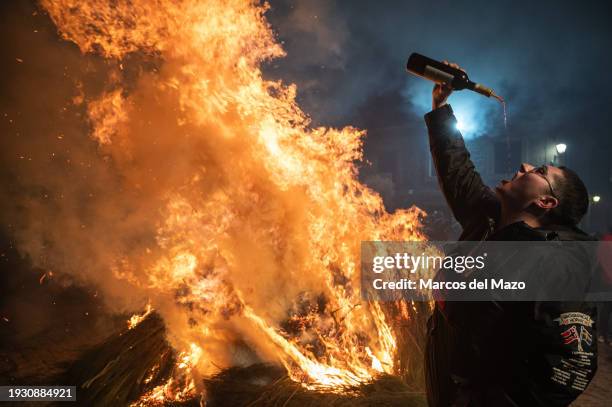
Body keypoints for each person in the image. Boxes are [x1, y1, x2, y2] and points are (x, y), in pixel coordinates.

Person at [424, 62, 598, 406]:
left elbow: (571, 367)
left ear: (546, 201)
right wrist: (441, 108)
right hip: (446, 385)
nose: (523, 167)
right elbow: (456, 169)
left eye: (539, 171)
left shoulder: (557, 266)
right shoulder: (488, 220)